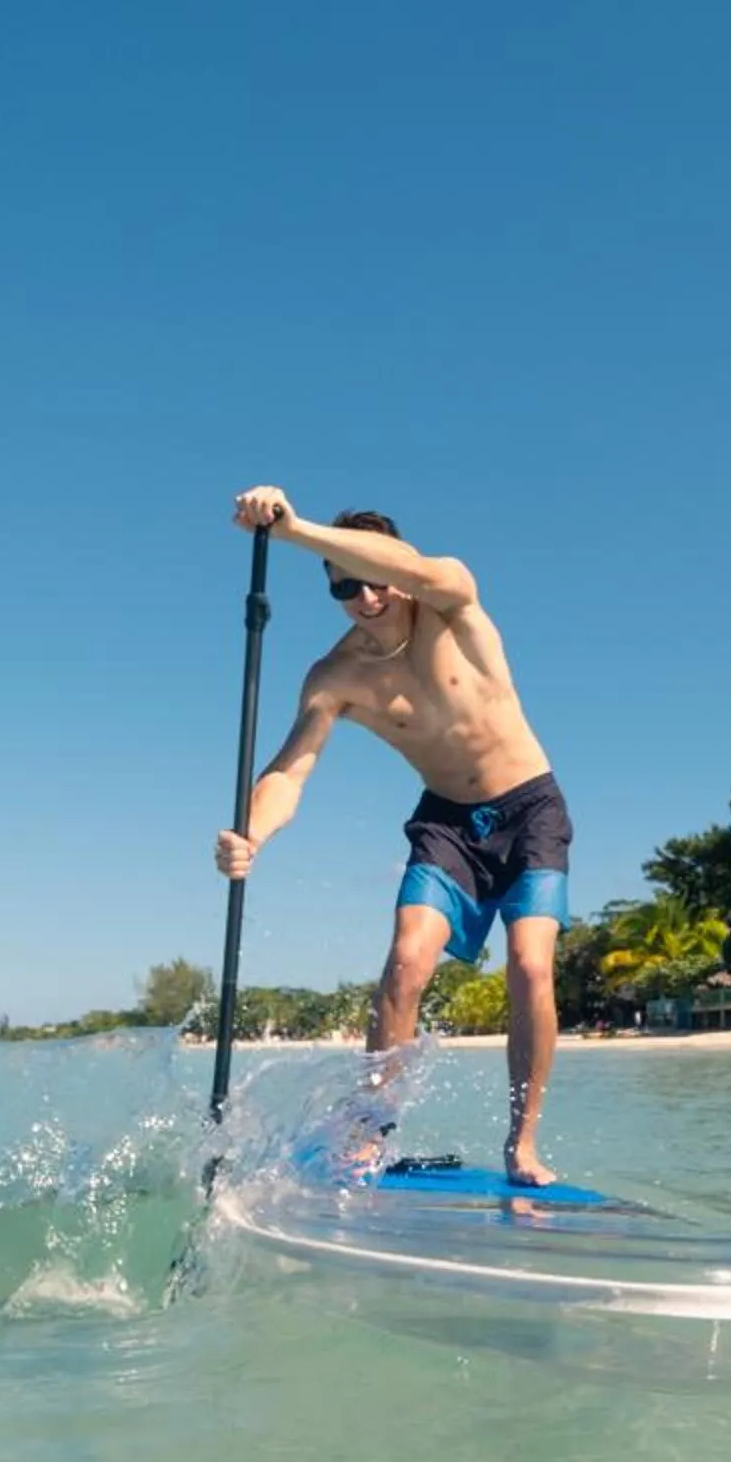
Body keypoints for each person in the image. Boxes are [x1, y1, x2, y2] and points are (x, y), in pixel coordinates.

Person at [213, 487, 573, 1185]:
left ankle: (522, 1144)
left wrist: (296, 530)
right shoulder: (335, 677)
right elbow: (289, 772)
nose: (367, 597)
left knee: (531, 966)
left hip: (531, 808)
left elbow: (425, 573)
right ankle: (368, 1133)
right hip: (444, 822)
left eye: (376, 579)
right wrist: (250, 836)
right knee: (407, 961)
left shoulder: (449, 602)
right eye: (346, 586)